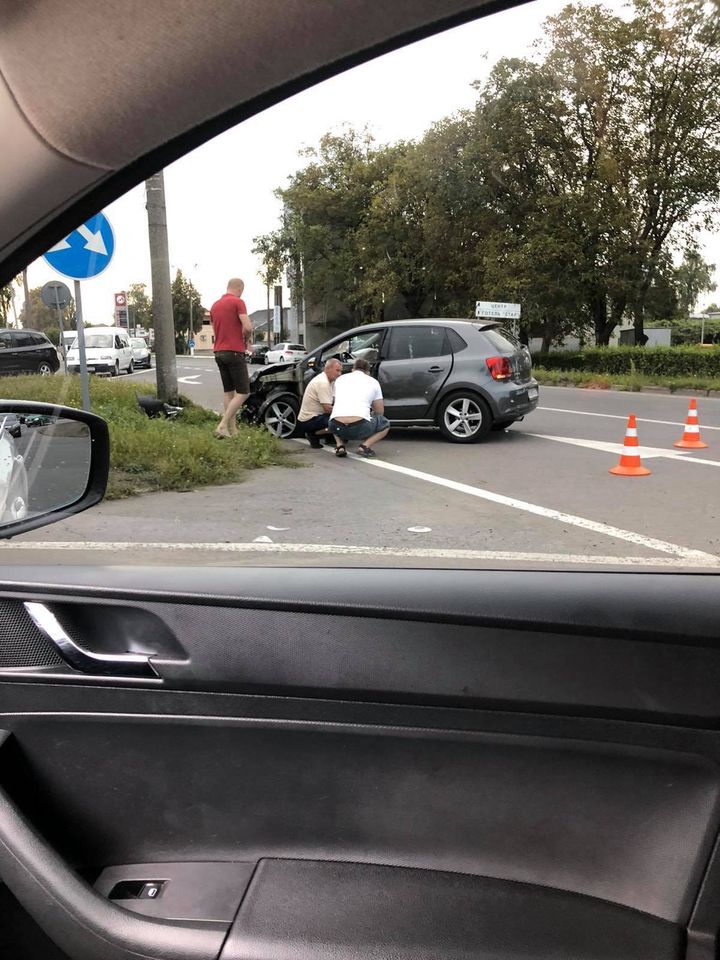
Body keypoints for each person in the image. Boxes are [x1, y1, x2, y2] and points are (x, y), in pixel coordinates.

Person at [209, 278, 253, 438]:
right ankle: (222, 425)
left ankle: (232, 430)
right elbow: (247, 327)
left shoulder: (214, 306)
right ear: (240, 288)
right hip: (234, 351)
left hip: (219, 352)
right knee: (243, 392)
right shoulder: (238, 302)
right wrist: (247, 338)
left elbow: (216, 328)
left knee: (229, 392)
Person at [329, 357, 390, 458]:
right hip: (360, 426)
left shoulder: (339, 379)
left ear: (353, 369)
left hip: (336, 425)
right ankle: (364, 447)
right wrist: (371, 414)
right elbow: (380, 411)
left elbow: (334, 402)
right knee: (385, 424)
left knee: (334, 415)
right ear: (368, 372)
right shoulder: (373, 382)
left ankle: (340, 446)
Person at [298, 358, 343, 447]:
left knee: (340, 418)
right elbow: (327, 409)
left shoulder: (331, 381)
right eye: (337, 370)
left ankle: (326, 436)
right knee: (341, 422)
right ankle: (314, 433)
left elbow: (334, 401)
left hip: (316, 416)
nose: (339, 374)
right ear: (327, 369)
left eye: (340, 371)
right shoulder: (323, 383)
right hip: (309, 420)